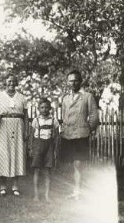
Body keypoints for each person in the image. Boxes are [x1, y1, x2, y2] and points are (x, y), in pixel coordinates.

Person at [60, 70, 99, 200]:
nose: (73, 83)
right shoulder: (65, 98)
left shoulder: (88, 96)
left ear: (80, 81)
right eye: (70, 80)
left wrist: (90, 130)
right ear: (67, 82)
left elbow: (93, 116)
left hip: (81, 134)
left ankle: (78, 191)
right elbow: (64, 115)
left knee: (78, 163)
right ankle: (73, 190)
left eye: (76, 80)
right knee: (70, 163)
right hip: (67, 134)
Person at [0, 74, 28, 196]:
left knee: (17, 153)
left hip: (18, 125)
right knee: (3, 154)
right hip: (3, 125)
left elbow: (26, 115)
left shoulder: (22, 97)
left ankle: (15, 186)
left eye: (14, 81)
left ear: (16, 83)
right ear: (5, 83)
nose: (11, 83)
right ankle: (2, 186)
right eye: (9, 81)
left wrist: (26, 130)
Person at [29, 98, 59, 202]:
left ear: (50, 108)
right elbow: (32, 136)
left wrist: (55, 150)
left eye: (46, 107)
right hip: (38, 145)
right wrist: (31, 148)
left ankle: (47, 195)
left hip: (49, 146)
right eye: (42, 107)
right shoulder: (36, 120)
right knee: (37, 170)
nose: (44, 109)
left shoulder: (53, 120)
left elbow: (56, 136)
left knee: (47, 171)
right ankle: (36, 195)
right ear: (38, 109)